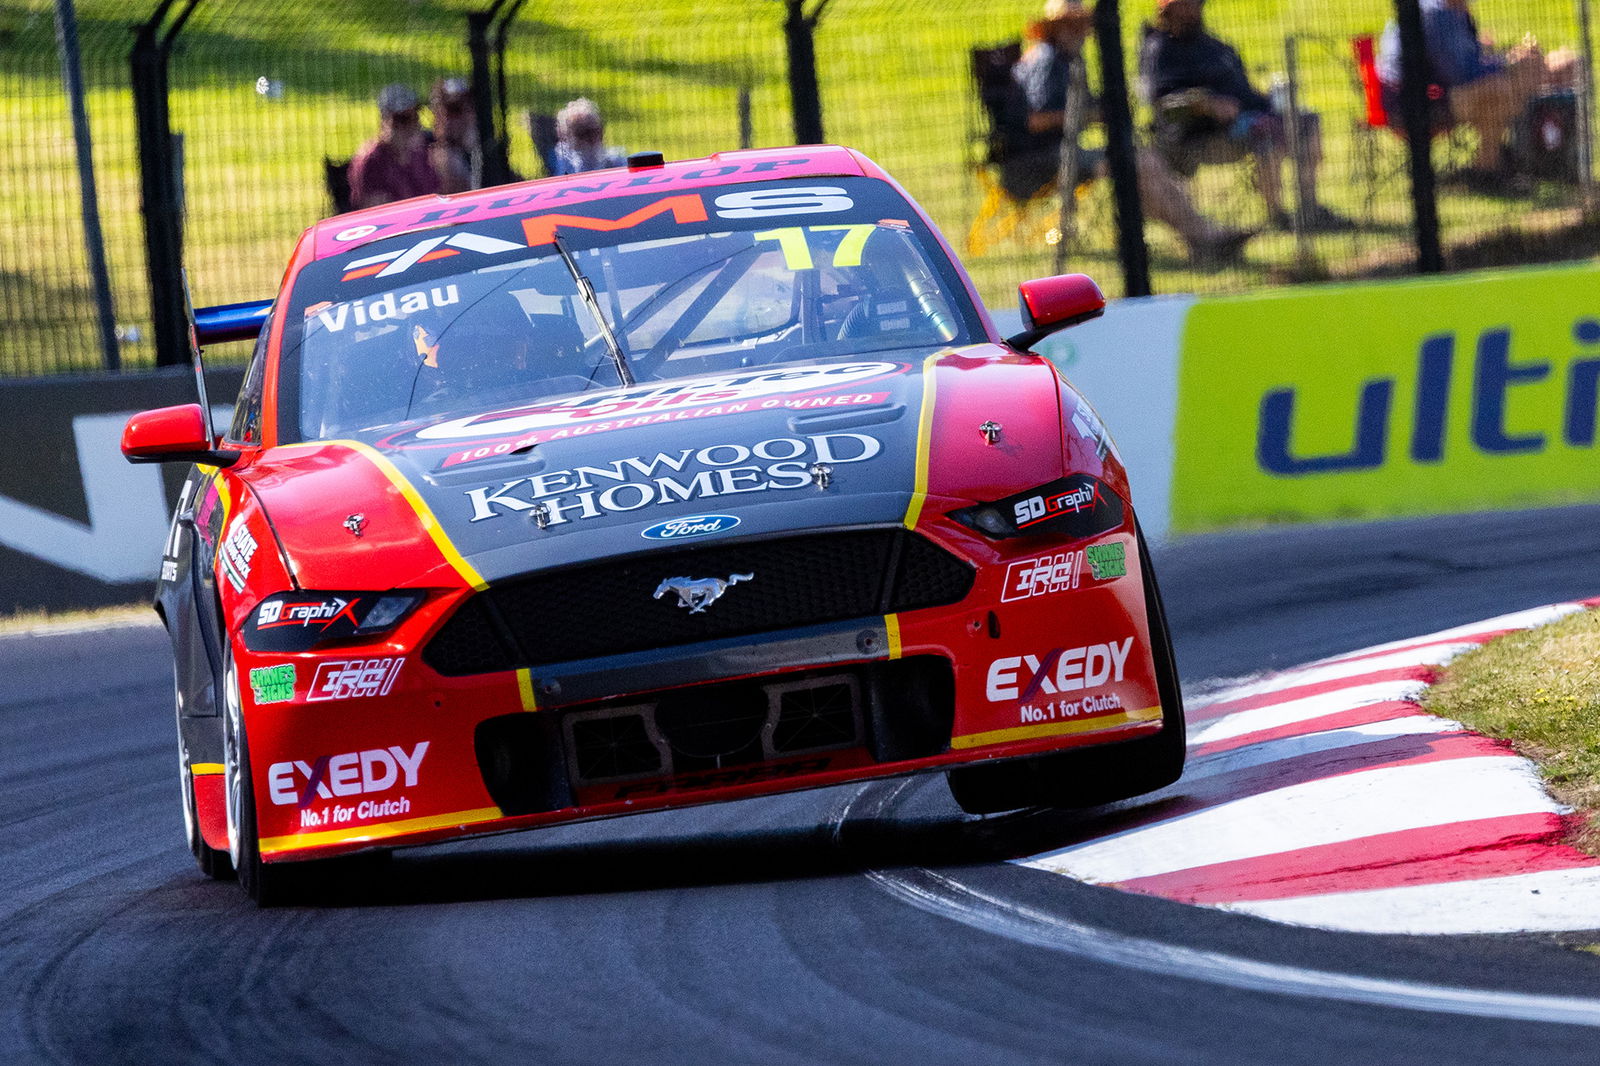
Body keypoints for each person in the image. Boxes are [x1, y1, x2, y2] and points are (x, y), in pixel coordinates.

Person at [1013, 0, 1255, 267]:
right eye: (1070, 25)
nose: (1080, 32)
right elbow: (1035, 120)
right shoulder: (1046, 60)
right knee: (1139, 164)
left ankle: (1201, 236)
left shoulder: (1066, 58)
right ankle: (1202, 236)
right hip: (1037, 161)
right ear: (1054, 28)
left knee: (1143, 162)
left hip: (1066, 153)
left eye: (1082, 25)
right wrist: (1094, 115)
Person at [1141, 0, 1354, 232]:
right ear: (1168, 10)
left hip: (1248, 120)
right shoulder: (1160, 49)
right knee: (1266, 136)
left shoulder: (1216, 47)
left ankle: (1310, 208)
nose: (1195, 8)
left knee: (1307, 121)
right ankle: (1278, 216)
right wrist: (1207, 105)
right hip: (1199, 136)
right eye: (1187, 4)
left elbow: (1246, 94)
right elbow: (1161, 101)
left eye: (1198, 3)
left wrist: (1273, 100)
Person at [1376, 0, 1576, 189]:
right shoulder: (1434, 16)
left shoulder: (1453, 12)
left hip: (1436, 97)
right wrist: (1510, 62)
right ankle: (1492, 169)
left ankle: (1502, 164)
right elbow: (1460, 74)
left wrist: (1510, 60)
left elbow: (1469, 62)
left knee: (1516, 81)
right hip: (1409, 110)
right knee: (1499, 90)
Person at [347, 84, 440, 209]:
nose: (412, 126)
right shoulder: (372, 161)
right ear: (384, 122)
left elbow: (435, 196)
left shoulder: (419, 153)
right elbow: (376, 212)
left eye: (415, 117)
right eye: (403, 119)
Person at [429, 77, 481, 194]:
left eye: (470, 105)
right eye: (454, 109)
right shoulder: (433, 156)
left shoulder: (484, 149)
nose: (466, 114)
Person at [551, 98, 626, 175]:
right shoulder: (561, 163)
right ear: (565, 137)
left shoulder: (616, 162)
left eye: (593, 131)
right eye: (581, 133)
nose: (589, 138)